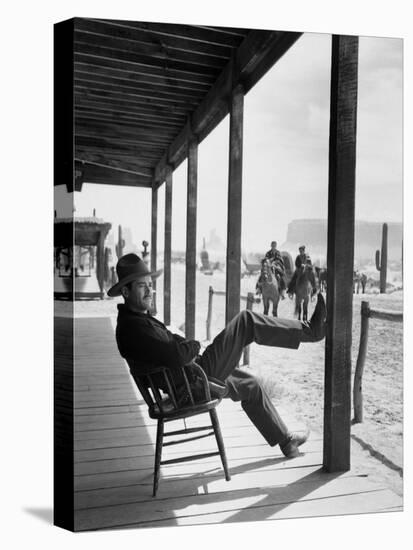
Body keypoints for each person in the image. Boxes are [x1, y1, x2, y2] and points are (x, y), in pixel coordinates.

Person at [108, 253, 326, 459]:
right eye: (141, 286)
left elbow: (173, 344)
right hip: (192, 384)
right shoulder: (134, 329)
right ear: (126, 292)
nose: (149, 291)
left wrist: (185, 347)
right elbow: (178, 355)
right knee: (246, 321)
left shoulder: (136, 321)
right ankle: (311, 331)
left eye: (150, 285)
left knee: (250, 384)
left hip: (190, 379)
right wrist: (193, 345)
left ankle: (286, 442)